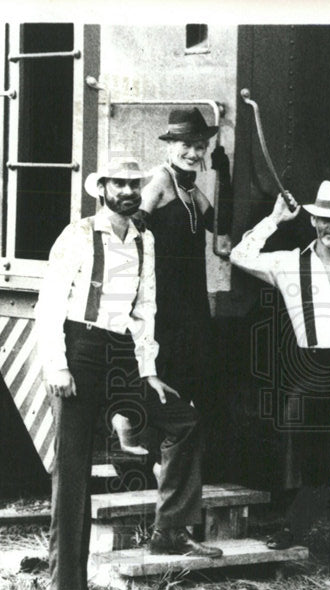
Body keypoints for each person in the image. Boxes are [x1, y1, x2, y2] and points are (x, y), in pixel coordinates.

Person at [34, 157, 222, 590]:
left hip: (122, 355)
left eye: (133, 184)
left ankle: (170, 528)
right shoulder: (78, 235)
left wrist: (149, 372)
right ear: (102, 190)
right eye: (117, 184)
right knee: (73, 468)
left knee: (183, 421)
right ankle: (67, 588)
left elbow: (145, 310)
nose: (127, 191)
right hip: (79, 351)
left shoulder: (144, 239)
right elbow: (50, 303)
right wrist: (57, 365)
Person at [229, 181, 330, 568]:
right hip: (310, 368)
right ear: (314, 220)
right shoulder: (288, 263)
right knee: (308, 458)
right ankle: (294, 525)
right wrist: (275, 218)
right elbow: (238, 254)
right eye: (325, 220)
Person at [110, 108, 220, 455]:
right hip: (165, 295)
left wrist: (225, 173)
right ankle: (127, 424)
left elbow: (218, 224)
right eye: (186, 145)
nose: (194, 153)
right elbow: (130, 225)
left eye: (200, 147)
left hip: (190, 295)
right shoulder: (160, 181)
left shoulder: (190, 189)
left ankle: (162, 455)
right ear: (170, 146)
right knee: (163, 365)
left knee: (188, 367)